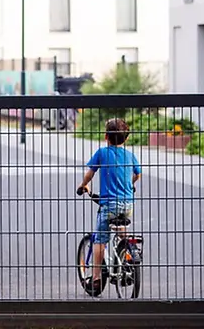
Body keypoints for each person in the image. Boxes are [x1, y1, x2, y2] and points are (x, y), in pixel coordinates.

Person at [76, 118, 142, 296]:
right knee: (121, 229)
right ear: (126, 138)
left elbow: (90, 173)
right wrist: (129, 184)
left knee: (100, 240)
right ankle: (127, 253)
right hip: (127, 203)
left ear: (106, 136)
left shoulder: (102, 153)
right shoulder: (130, 155)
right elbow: (138, 174)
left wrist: (83, 186)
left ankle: (96, 279)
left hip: (109, 204)